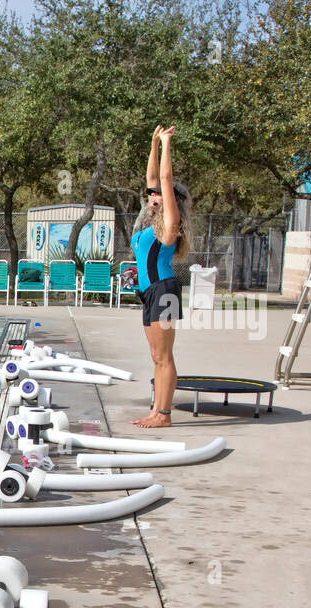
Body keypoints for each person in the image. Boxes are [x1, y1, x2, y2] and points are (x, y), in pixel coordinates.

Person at [132, 125, 192, 428]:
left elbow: (164, 180)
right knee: (156, 356)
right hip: (149, 292)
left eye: (159, 195)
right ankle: (157, 410)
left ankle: (164, 415)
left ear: (171, 200)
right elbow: (153, 179)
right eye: (151, 195)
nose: (153, 195)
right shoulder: (150, 223)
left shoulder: (170, 223)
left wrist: (167, 143)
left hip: (163, 290)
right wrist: (153, 142)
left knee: (164, 356)